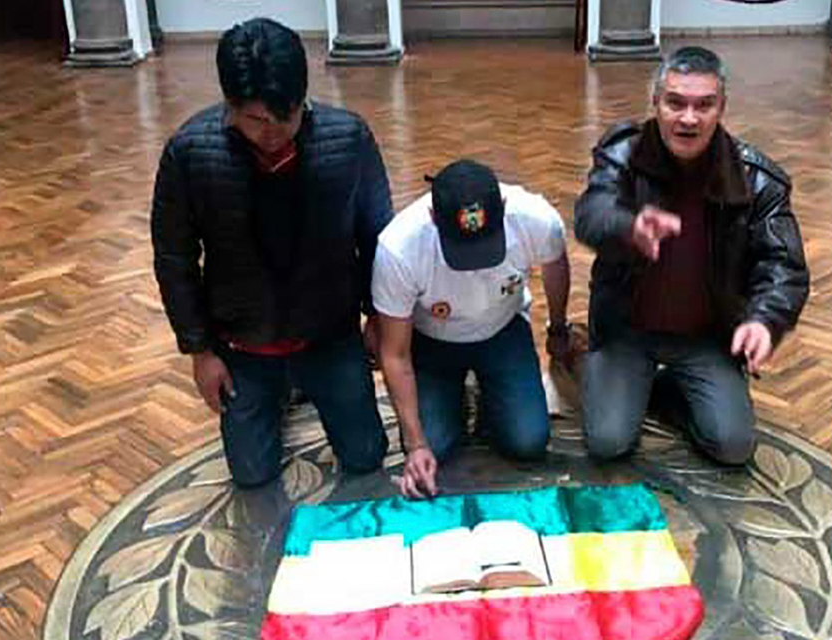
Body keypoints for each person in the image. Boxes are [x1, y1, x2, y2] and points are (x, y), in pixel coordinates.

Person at [151, 18, 391, 488]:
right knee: (252, 474)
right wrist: (200, 351)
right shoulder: (189, 153)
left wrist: (378, 316)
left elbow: (378, 235)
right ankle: (281, 390)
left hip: (330, 335)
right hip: (245, 344)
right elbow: (174, 260)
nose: (274, 131)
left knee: (366, 456)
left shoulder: (349, 139)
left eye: (288, 114)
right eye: (258, 119)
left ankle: (301, 385)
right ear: (230, 105)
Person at [574, 46, 809, 465]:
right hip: (627, 330)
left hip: (706, 336)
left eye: (704, 105)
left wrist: (764, 319)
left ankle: (668, 391)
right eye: (676, 103)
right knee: (608, 442)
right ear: (656, 104)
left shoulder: (757, 178)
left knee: (733, 447)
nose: (688, 118)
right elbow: (591, 215)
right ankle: (591, 362)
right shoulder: (622, 155)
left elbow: (783, 265)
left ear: (722, 108)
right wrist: (626, 227)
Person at [373, 160, 573, 498]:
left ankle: (487, 394)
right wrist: (416, 443)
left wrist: (557, 328)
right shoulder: (399, 247)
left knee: (527, 441)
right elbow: (394, 353)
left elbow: (556, 268)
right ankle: (456, 396)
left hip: (504, 329)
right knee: (435, 446)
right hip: (432, 340)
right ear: (433, 218)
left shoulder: (536, 217)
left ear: (505, 208)